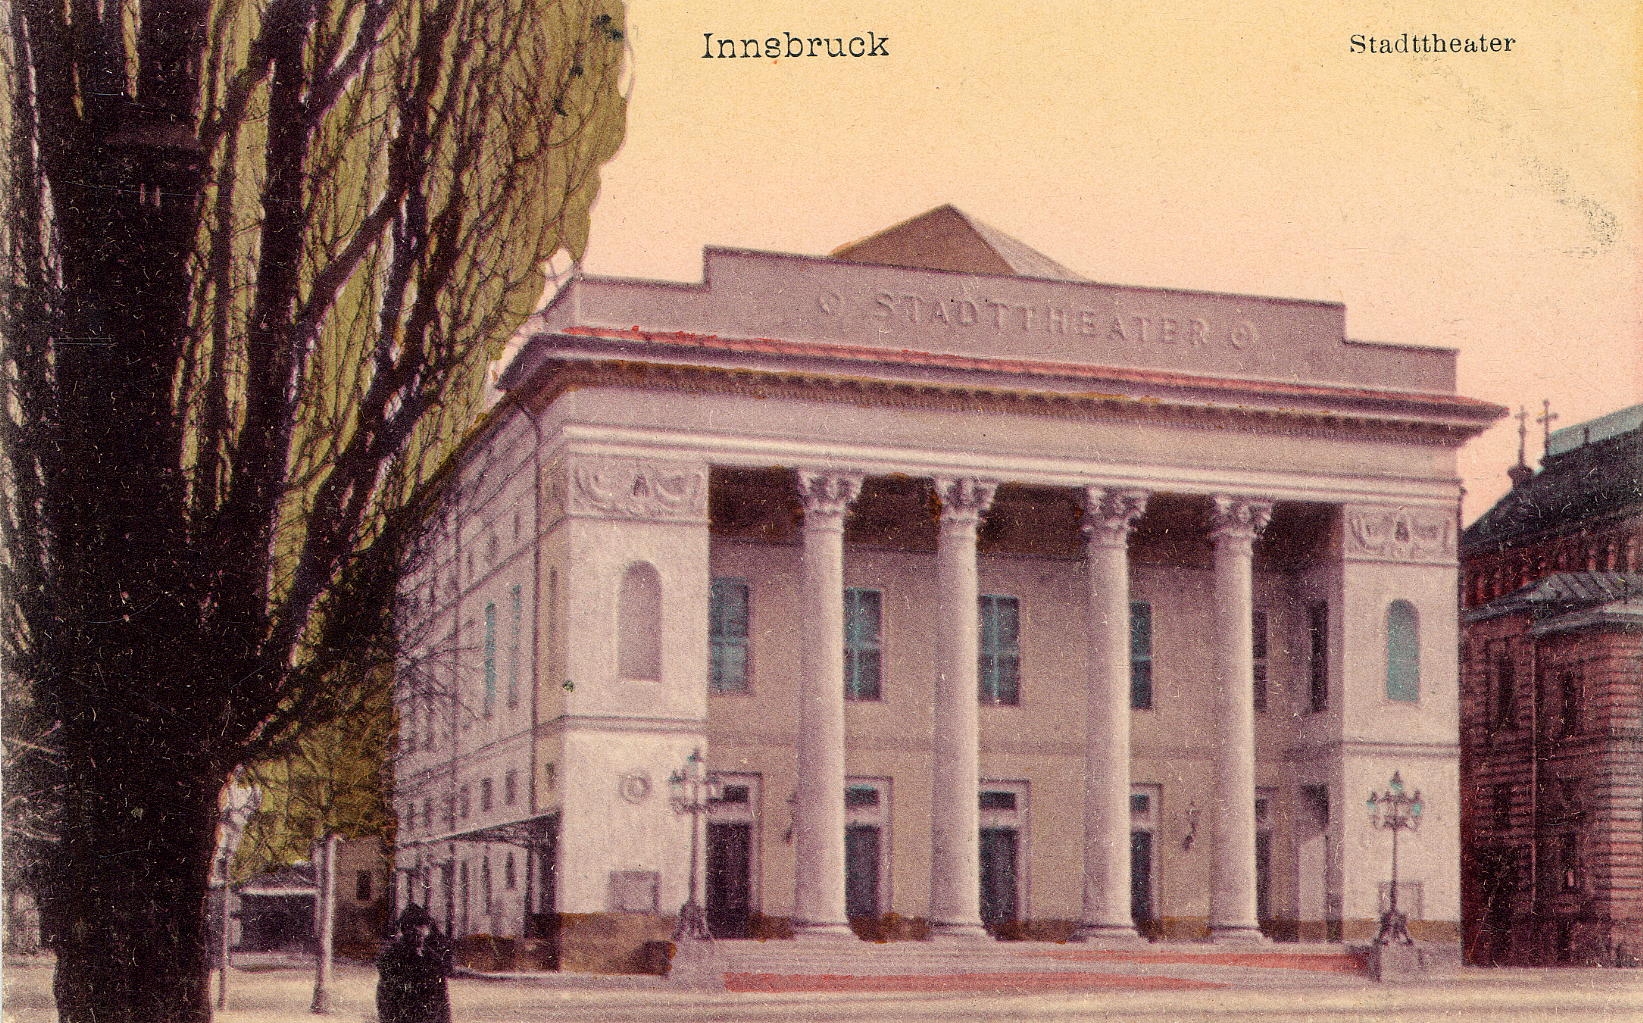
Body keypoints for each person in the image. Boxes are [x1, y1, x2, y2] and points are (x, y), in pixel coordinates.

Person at [377, 905, 453, 1023]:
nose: (417, 930)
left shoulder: (434, 960)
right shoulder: (392, 957)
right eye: (411, 926)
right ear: (404, 930)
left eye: (421, 926)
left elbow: (442, 1000)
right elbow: (385, 1000)